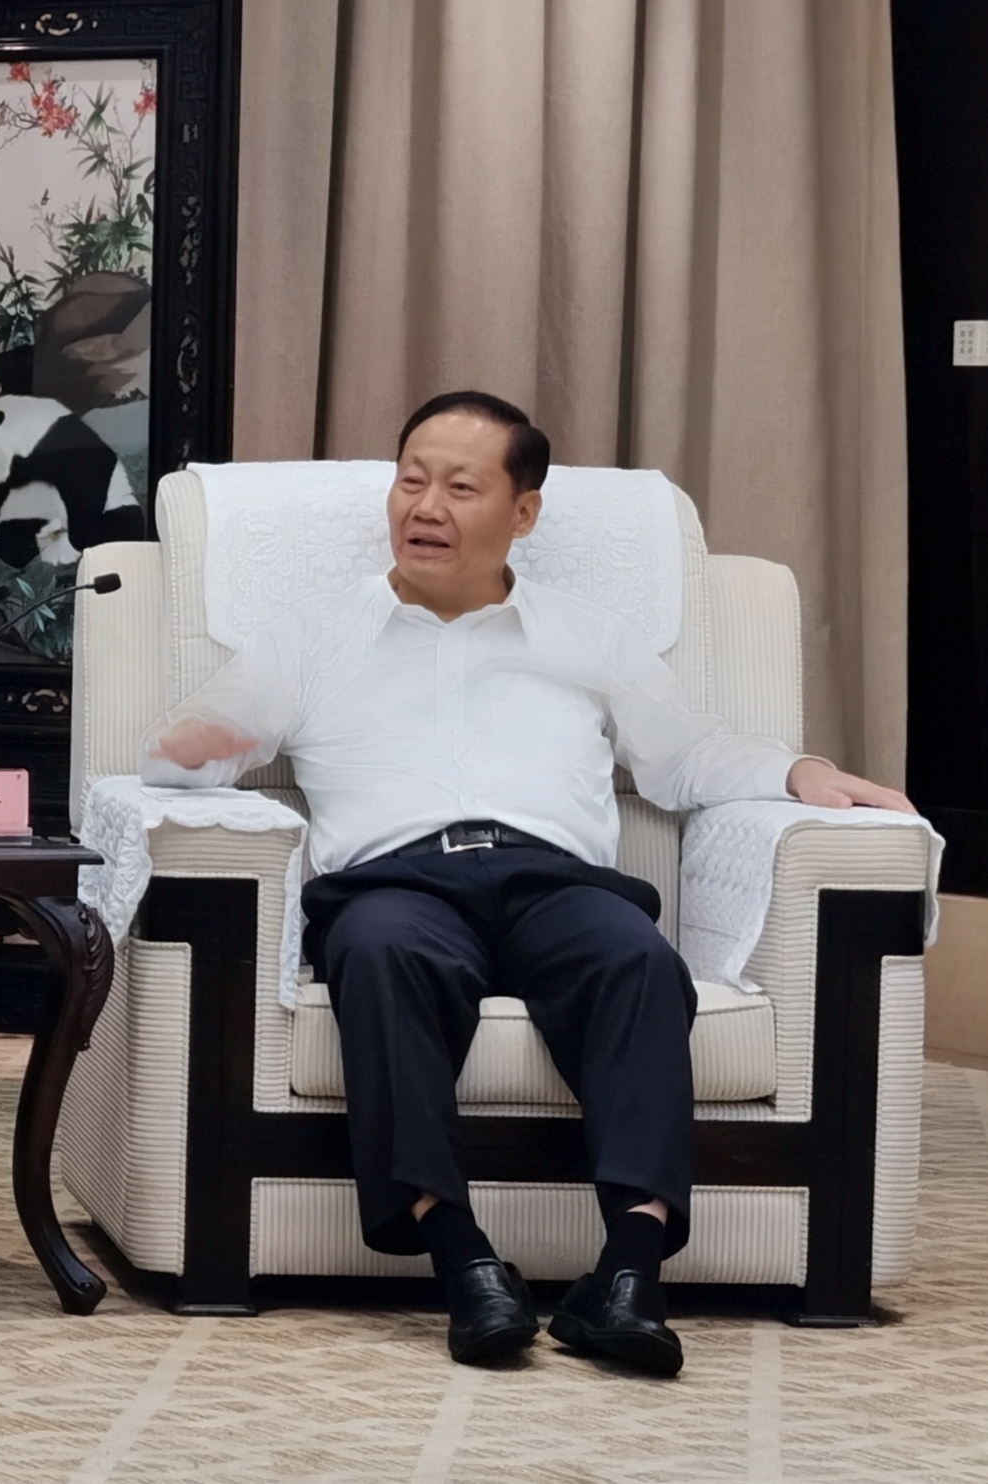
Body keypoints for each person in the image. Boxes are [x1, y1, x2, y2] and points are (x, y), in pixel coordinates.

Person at [143, 391, 911, 1377]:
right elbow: (192, 751)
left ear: (522, 511)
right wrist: (185, 750)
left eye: (459, 488)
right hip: (396, 884)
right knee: (379, 953)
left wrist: (798, 772)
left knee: (637, 961)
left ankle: (626, 1275)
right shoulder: (312, 633)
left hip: (556, 883)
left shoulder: (586, 636)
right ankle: (462, 1258)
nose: (424, 507)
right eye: (410, 480)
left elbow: (686, 755)